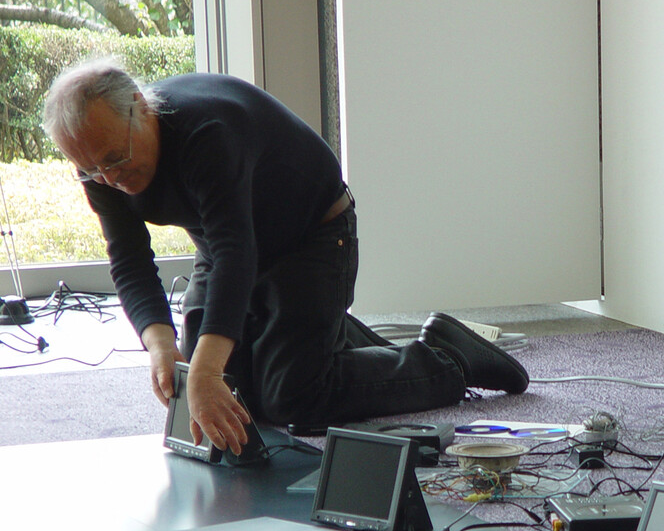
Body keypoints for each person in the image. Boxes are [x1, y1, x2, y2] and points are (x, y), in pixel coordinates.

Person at [42, 58, 528, 455]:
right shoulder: (99, 163)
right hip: (225, 245)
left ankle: (445, 358)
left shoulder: (205, 133)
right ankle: (326, 335)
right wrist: (160, 344)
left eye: (115, 159)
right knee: (232, 396)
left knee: (292, 396)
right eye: (89, 170)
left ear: (141, 110)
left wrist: (207, 370)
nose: (109, 178)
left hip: (311, 236)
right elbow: (129, 259)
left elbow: (238, 252)